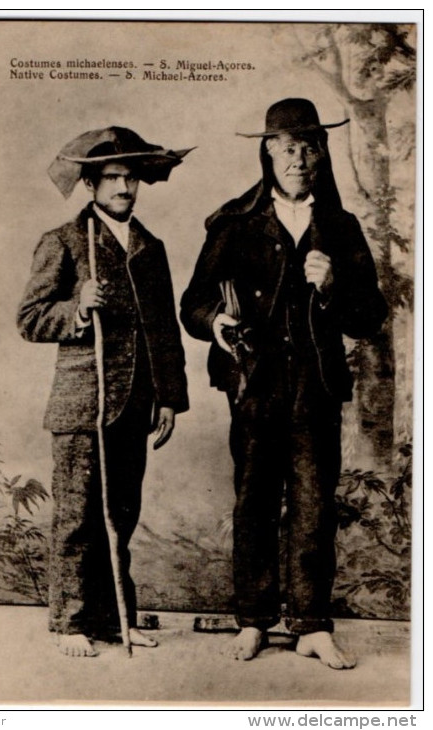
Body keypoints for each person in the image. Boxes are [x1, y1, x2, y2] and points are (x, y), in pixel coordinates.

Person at [180, 98, 387, 668]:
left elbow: (370, 315)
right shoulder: (235, 221)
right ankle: (253, 620)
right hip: (253, 385)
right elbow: (193, 303)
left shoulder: (340, 228)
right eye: (288, 146)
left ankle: (313, 626)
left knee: (314, 503)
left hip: (316, 385)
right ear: (267, 151)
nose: (300, 157)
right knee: (253, 502)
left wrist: (335, 286)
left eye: (310, 146)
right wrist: (215, 323)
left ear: (322, 153)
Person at [17, 126, 191, 657]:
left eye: (130, 176)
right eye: (112, 176)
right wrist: (76, 307)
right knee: (77, 517)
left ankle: (116, 619)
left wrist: (168, 397)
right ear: (91, 183)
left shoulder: (150, 247)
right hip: (81, 404)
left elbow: (164, 329)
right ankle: (71, 624)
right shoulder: (64, 240)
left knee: (121, 515)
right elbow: (29, 319)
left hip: (135, 404)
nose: (124, 186)